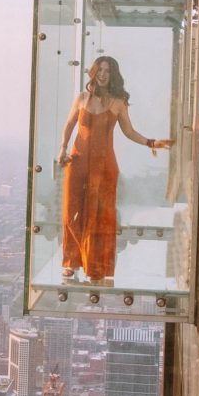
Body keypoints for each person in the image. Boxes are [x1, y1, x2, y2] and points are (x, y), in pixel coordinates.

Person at [57, 56, 171, 283]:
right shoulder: (81, 97)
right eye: (100, 70)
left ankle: (93, 267)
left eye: (107, 71)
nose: (102, 74)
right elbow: (70, 124)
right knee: (70, 213)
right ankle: (72, 260)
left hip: (104, 165)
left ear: (113, 75)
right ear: (93, 72)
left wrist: (150, 142)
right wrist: (62, 149)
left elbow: (129, 132)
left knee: (98, 217)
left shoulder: (118, 102)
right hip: (77, 161)